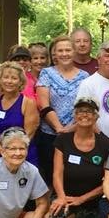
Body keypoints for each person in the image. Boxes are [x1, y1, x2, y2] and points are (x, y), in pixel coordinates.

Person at [45, 98, 109, 218]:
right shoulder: (63, 140)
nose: (85, 115)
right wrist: (60, 197)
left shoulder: (104, 143)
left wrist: (81, 199)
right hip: (65, 196)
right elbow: (57, 173)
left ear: (96, 116)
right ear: (74, 115)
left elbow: (108, 181)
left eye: (89, 111)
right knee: (57, 213)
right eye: (80, 111)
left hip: (91, 201)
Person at [36, 35, 89, 184]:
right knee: (49, 175)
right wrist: (59, 128)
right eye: (60, 50)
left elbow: (86, 107)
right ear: (54, 54)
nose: (64, 54)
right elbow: (43, 104)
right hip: (49, 135)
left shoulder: (84, 76)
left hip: (76, 133)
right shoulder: (46, 73)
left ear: (74, 51)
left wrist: (71, 128)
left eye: (68, 50)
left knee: (72, 175)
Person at [0, 62, 39, 167]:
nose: (9, 81)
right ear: (0, 80)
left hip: (23, 155)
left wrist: (15, 153)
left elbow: (29, 133)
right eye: (5, 77)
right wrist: (4, 152)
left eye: (14, 78)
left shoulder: (28, 103)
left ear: (20, 82)